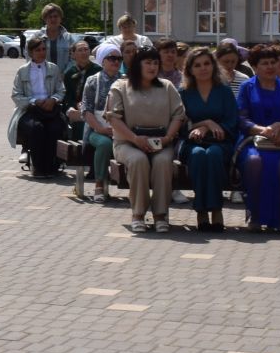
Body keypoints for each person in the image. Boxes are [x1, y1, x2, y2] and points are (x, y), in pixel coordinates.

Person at [105, 47, 185, 233]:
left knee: (163, 161)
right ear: (137, 64)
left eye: (155, 62)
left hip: (161, 142)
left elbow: (178, 115)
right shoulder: (120, 86)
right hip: (128, 142)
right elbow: (113, 118)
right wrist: (134, 138)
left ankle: (160, 214)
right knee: (138, 160)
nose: (152, 66)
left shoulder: (166, 86)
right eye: (147, 62)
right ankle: (138, 213)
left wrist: (167, 139)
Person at [237, 43, 280, 233]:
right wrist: (262, 130)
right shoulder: (247, 88)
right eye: (264, 63)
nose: (270, 67)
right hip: (251, 140)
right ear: (255, 67)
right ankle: (255, 214)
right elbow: (241, 119)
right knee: (254, 161)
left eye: (273, 62)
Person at [180, 45, 239, 231]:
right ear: (190, 69)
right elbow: (179, 124)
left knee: (213, 154)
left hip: (221, 143)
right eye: (197, 65)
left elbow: (232, 120)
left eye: (207, 63)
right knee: (198, 155)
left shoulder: (223, 91)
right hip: (192, 143)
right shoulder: (183, 93)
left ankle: (216, 210)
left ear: (213, 66)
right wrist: (203, 124)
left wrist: (214, 127)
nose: (203, 68)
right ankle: (201, 211)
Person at [9, 35, 65, 178]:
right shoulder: (23, 71)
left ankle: (52, 166)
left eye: (43, 49)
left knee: (55, 128)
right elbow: (16, 95)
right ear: (30, 52)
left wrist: (53, 100)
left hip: (50, 109)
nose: (42, 52)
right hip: (29, 110)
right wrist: (34, 101)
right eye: (38, 50)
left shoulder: (53, 68)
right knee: (36, 128)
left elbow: (61, 90)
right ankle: (38, 167)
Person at [75, 43, 123, 202]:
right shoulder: (92, 80)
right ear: (102, 61)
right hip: (96, 130)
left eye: (119, 59)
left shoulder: (125, 82)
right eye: (112, 58)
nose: (116, 62)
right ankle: (99, 185)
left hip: (121, 130)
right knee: (104, 144)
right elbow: (86, 111)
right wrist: (101, 129)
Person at [62, 39, 99, 144]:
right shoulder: (69, 73)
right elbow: (67, 96)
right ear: (73, 54)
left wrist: (86, 105)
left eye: (86, 49)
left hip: (92, 109)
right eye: (80, 50)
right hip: (76, 109)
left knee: (83, 123)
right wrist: (73, 106)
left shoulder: (97, 71)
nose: (84, 52)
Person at [37, 3, 77, 73]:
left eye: (56, 16)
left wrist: (65, 74)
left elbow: (74, 59)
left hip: (64, 79)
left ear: (60, 18)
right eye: (50, 17)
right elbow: (30, 59)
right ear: (45, 19)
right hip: (42, 78)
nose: (53, 19)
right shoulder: (36, 37)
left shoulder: (69, 38)